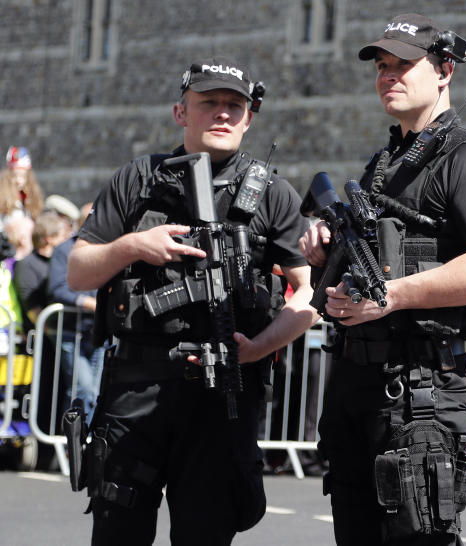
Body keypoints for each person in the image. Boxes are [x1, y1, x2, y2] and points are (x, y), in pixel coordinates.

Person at [66, 56, 316, 544]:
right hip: (136, 389)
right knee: (118, 530)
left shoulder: (273, 194)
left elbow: (307, 293)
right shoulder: (137, 179)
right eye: (209, 104)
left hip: (222, 395)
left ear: (249, 118)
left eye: (234, 106)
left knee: (206, 530)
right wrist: (135, 246)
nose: (222, 114)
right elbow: (78, 271)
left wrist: (261, 345)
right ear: (181, 113)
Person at [298, 14, 466, 545]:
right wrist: (323, 259)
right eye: (382, 66)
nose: (389, 76)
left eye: (404, 65)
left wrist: (393, 296)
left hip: (422, 389)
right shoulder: (386, 162)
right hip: (359, 383)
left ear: (445, 69)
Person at [48, 203, 104, 426]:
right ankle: (74, 444)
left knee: (95, 392)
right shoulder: (64, 249)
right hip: (73, 332)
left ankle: (87, 444)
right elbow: (57, 288)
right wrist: (87, 302)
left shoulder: (104, 247)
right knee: (82, 390)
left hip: (98, 332)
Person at [13, 211, 71, 326]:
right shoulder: (27, 265)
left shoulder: (61, 262)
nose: (67, 241)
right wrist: (53, 336)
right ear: (50, 239)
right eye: (63, 236)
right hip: (43, 337)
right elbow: (33, 309)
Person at [0, 146, 44, 228]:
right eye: (14, 176)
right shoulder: (3, 198)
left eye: (23, 176)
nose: (18, 181)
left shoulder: (30, 197)